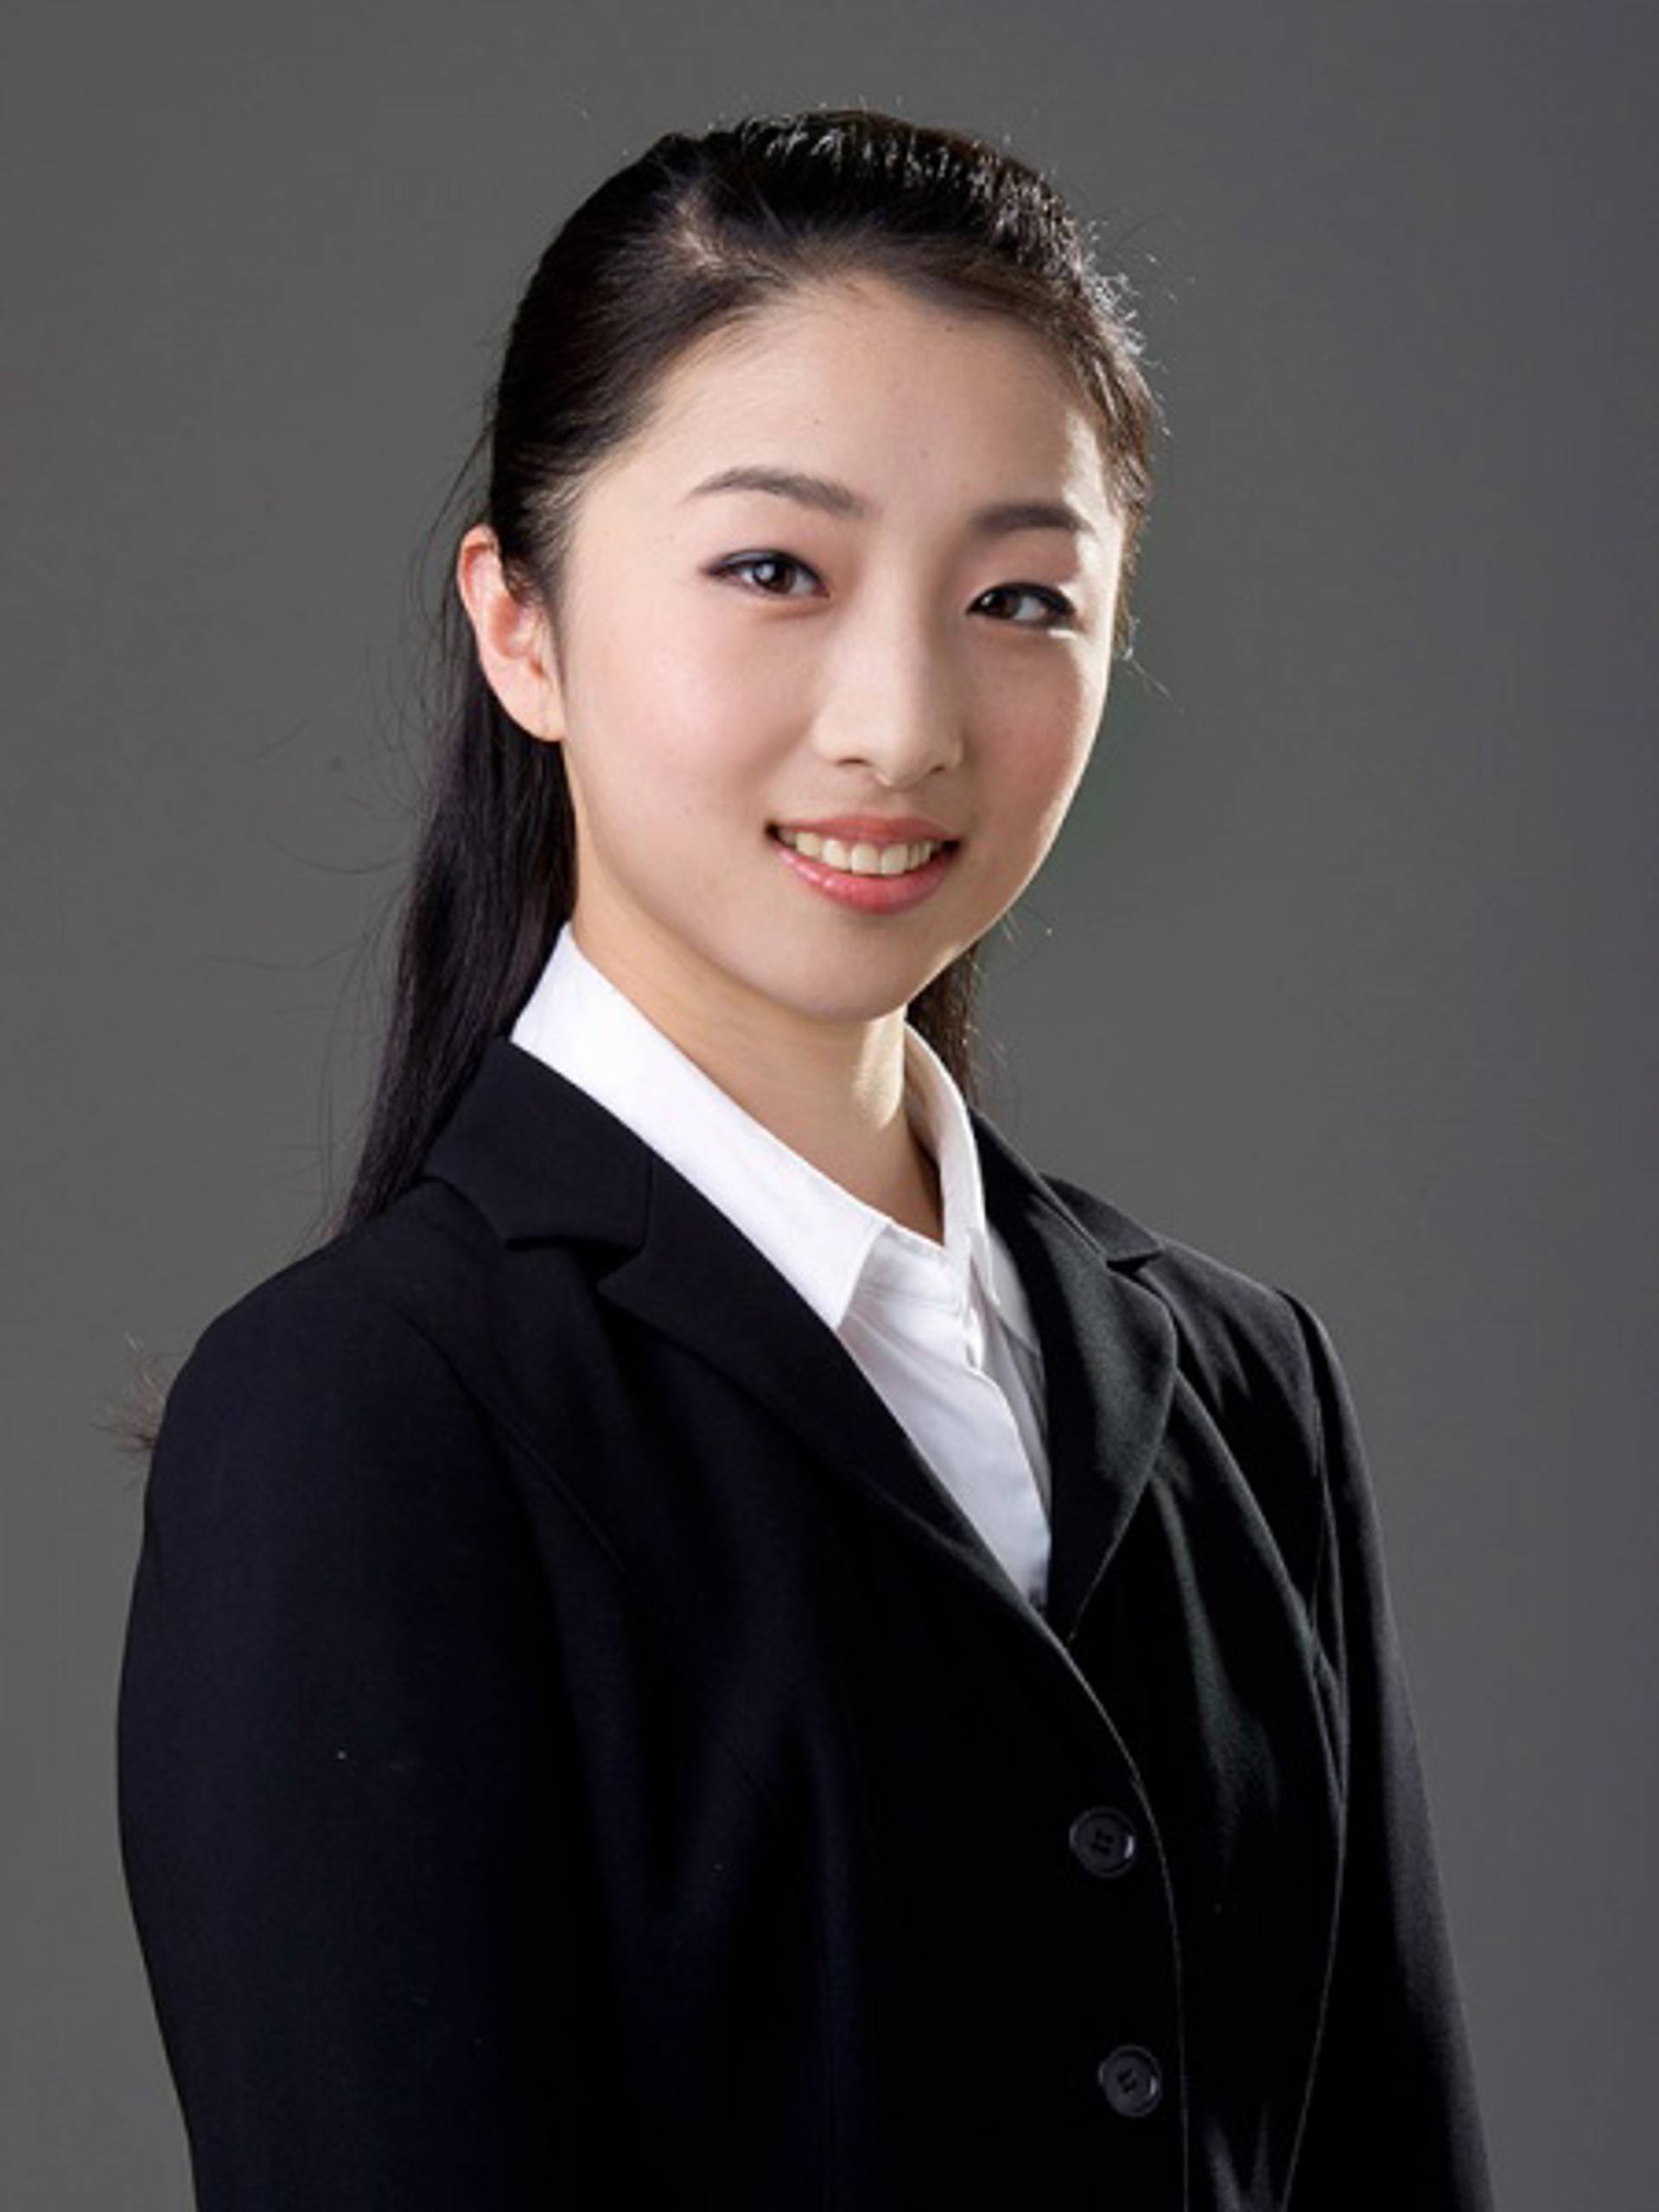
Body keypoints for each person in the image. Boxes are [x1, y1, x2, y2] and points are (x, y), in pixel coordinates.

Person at [115, 107, 1495, 2209]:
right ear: (522, 625)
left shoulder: (1243, 1385)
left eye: (1019, 596)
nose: (901, 721)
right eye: (776, 570)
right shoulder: (362, 1412)